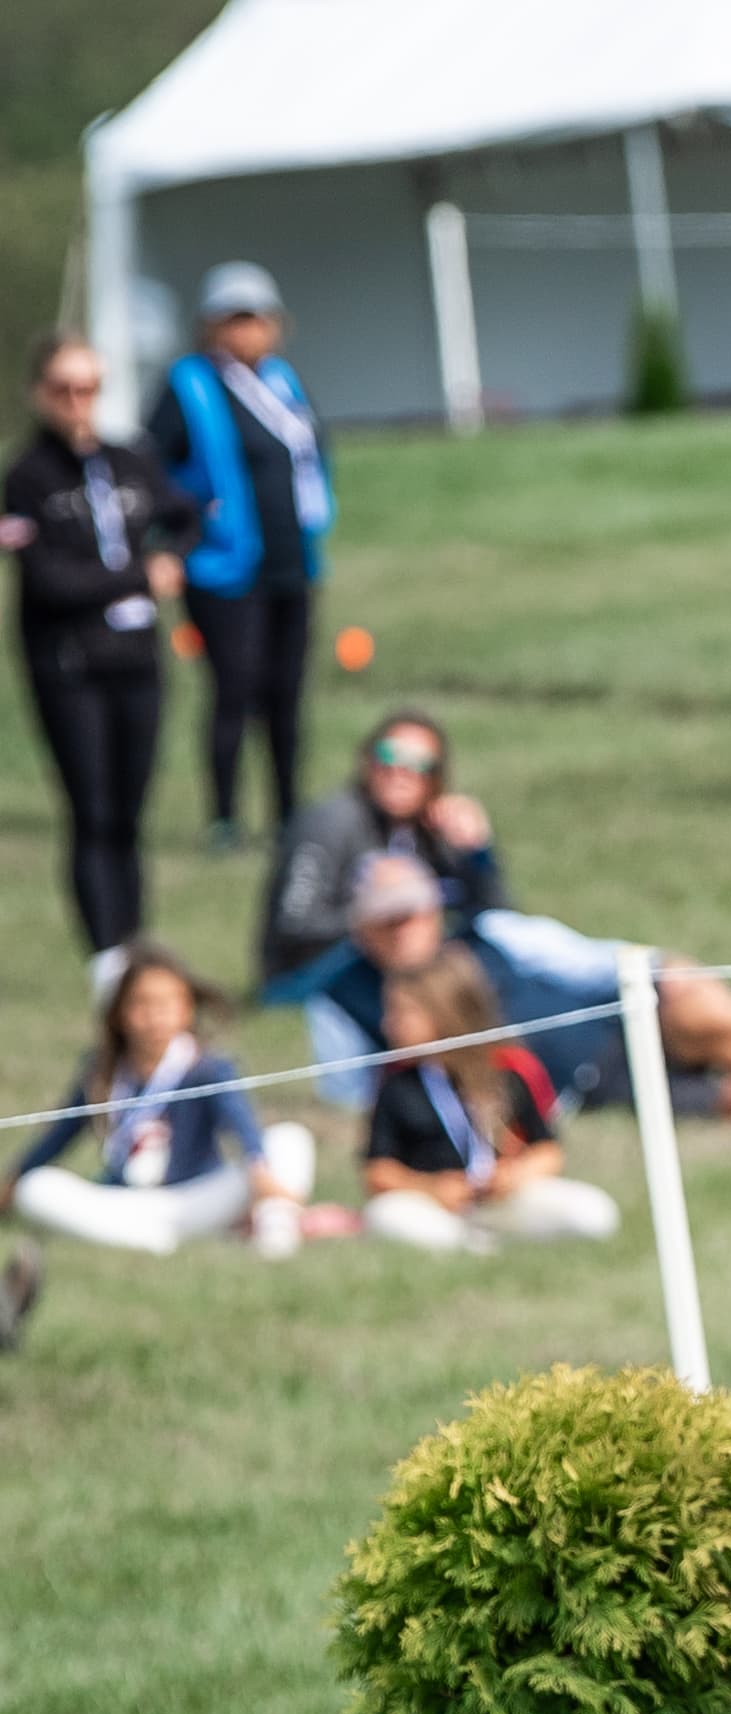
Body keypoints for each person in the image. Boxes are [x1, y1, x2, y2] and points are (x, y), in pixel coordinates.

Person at [308, 853, 731, 1138]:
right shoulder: (345, 997)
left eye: (415, 911)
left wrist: (663, 974)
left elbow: (597, 959)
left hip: (619, 1024)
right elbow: (353, 1095)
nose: (406, 927)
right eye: (388, 919)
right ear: (360, 928)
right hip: (582, 1085)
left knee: (697, 997)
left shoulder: (493, 933)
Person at [5, 333, 196, 977]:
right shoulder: (27, 478)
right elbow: (51, 581)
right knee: (92, 808)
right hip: (70, 664)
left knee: (132, 808)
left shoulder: (130, 458)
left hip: (137, 658)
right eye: (63, 388)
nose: (77, 402)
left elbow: (184, 511)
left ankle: (135, 943)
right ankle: (104, 956)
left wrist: (175, 553)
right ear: (41, 394)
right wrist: (141, 577)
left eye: (88, 387)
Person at [147, 261, 330, 846]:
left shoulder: (283, 382)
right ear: (210, 326)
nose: (248, 332)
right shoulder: (189, 385)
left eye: (257, 319)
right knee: (235, 688)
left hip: (288, 563)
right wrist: (179, 534)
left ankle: (287, 814)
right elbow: (152, 469)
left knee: (286, 694)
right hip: (225, 569)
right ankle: (224, 817)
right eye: (235, 319)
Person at [4, 938, 313, 1259]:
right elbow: (60, 1133)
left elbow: (243, 1126)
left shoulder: (208, 1066)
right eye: (142, 1004)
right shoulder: (102, 1070)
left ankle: (275, 1241)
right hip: (127, 1202)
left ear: (186, 1008)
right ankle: (144, 1240)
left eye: (167, 1003)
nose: (155, 1017)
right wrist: (15, 1178)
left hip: (195, 1200)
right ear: (119, 1012)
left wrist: (259, 1174)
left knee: (289, 1140)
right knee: (36, 1187)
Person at [362, 949, 619, 1253]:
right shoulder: (396, 1082)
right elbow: (378, 1170)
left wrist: (514, 1176)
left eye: (402, 1012)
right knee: (386, 1216)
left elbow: (548, 1150)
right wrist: (430, 1188)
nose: (388, 1024)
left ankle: (491, 1240)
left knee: (593, 1212)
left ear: (445, 1010)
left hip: (508, 1199)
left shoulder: (511, 1067)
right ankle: (467, 1245)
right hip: (436, 1208)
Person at [257, 707, 504, 995]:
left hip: (399, 974)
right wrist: (380, 919)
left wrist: (479, 853)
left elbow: (496, 921)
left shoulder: (433, 832)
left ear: (437, 776)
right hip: (312, 977)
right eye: (388, 755)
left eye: (418, 762)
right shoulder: (329, 822)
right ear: (369, 762)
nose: (399, 772)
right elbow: (295, 923)